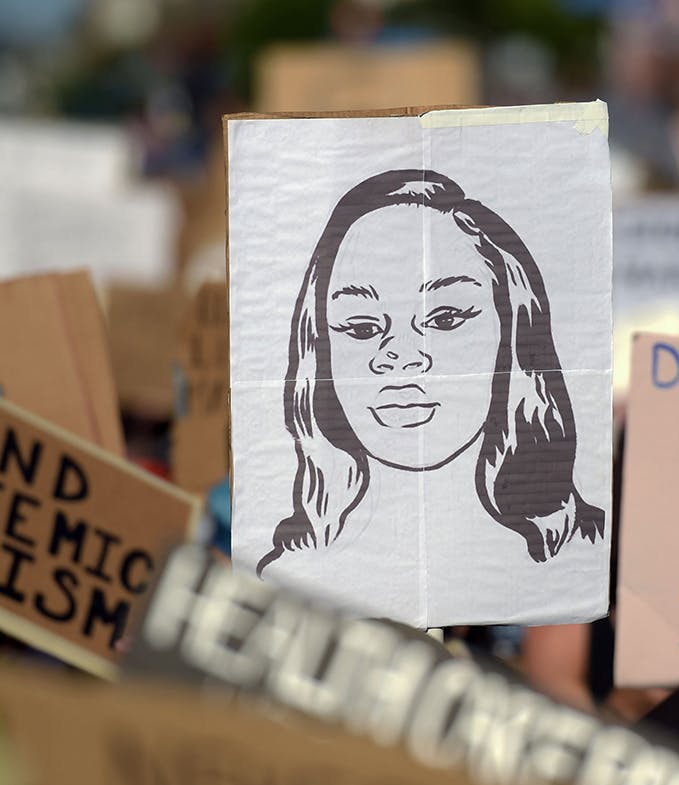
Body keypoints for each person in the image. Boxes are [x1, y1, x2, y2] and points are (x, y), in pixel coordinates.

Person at [257, 169, 604, 577]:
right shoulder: (289, 578)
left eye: (445, 318)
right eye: (363, 328)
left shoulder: (580, 558)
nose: (402, 357)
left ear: (511, 329)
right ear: (319, 347)